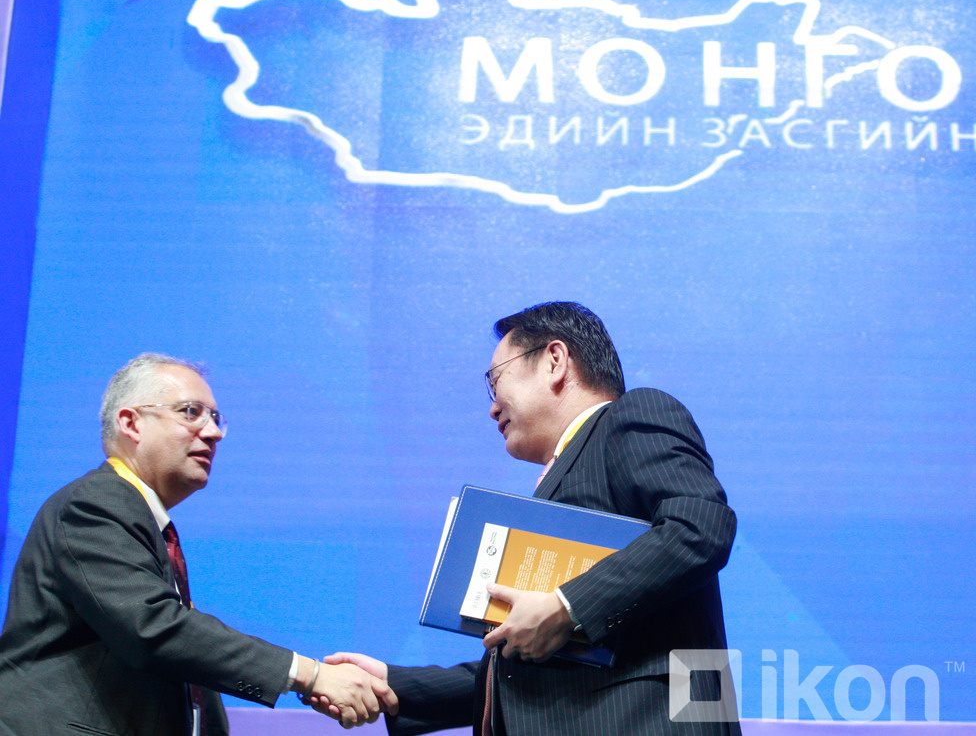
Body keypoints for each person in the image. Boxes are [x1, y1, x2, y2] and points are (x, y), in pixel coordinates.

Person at [327, 302, 740, 735]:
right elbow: (521, 670)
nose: (492, 409)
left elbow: (700, 528)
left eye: (495, 380)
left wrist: (566, 607)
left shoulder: (630, 416)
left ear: (554, 361)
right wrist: (390, 685)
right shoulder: (559, 481)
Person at [0, 353, 397, 735]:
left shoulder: (145, 521)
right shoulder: (96, 503)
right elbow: (155, 630)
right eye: (190, 412)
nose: (213, 432)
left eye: (215, 418)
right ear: (131, 423)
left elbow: (179, 659)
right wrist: (309, 675)